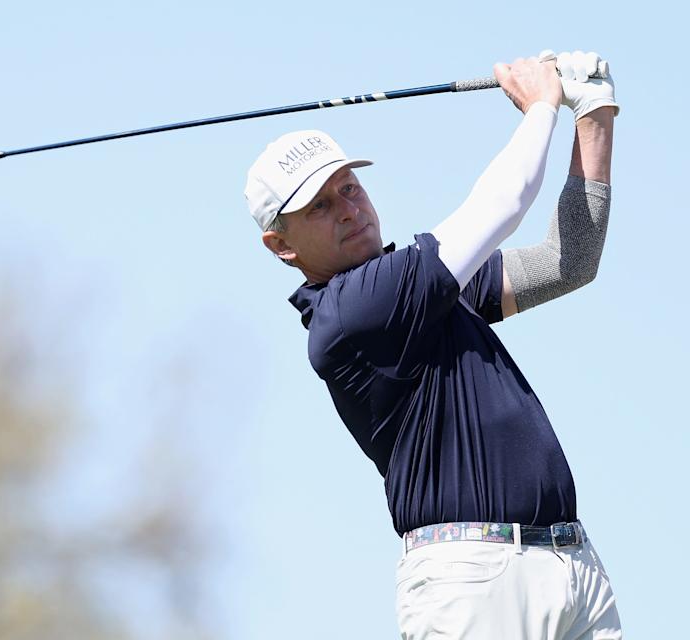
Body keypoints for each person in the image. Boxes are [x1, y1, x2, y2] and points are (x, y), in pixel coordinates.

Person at [244, 50, 621, 639]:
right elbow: (501, 204)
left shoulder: (421, 287)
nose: (348, 208)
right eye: (320, 205)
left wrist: (594, 116)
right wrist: (542, 104)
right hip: (473, 578)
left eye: (349, 187)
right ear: (281, 246)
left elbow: (567, 262)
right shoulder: (353, 311)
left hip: (571, 564)